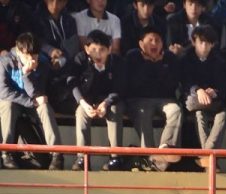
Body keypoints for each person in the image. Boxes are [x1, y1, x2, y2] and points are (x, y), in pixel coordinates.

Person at [0, 32, 64, 170]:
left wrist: (26, 74)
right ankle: (6, 153)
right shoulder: (5, 62)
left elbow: (37, 93)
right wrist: (30, 102)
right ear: (18, 51)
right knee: (8, 106)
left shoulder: (42, 64)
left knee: (45, 108)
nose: (31, 59)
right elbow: (4, 91)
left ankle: (57, 155)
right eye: (26, 56)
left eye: (34, 56)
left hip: (31, 102)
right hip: (13, 101)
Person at [123, 25, 182, 171]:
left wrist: (159, 64)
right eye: (150, 40)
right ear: (141, 44)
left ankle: (165, 148)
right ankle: (150, 156)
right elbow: (135, 84)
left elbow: (171, 85)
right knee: (144, 113)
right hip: (139, 99)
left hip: (164, 99)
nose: (154, 44)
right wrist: (150, 63)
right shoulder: (133, 56)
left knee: (176, 110)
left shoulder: (169, 57)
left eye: (158, 40)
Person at [67, 28, 126, 171]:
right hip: (86, 99)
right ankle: (82, 157)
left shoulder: (116, 62)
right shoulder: (80, 59)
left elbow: (120, 87)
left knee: (115, 110)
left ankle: (115, 157)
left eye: (102, 50)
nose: (98, 54)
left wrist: (106, 103)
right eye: (93, 49)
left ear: (110, 49)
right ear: (87, 49)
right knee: (81, 112)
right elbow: (72, 82)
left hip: (109, 100)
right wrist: (83, 102)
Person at [179, 24, 226, 165]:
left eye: (208, 43)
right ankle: (209, 157)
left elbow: (224, 84)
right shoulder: (186, 59)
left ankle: (207, 155)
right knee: (199, 113)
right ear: (194, 42)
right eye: (201, 42)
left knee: (223, 115)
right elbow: (185, 81)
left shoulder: (218, 61)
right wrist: (198, 90)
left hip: (213, 101)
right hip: (193, 99)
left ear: (213, 44)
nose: (204, 46)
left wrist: (214, 91)